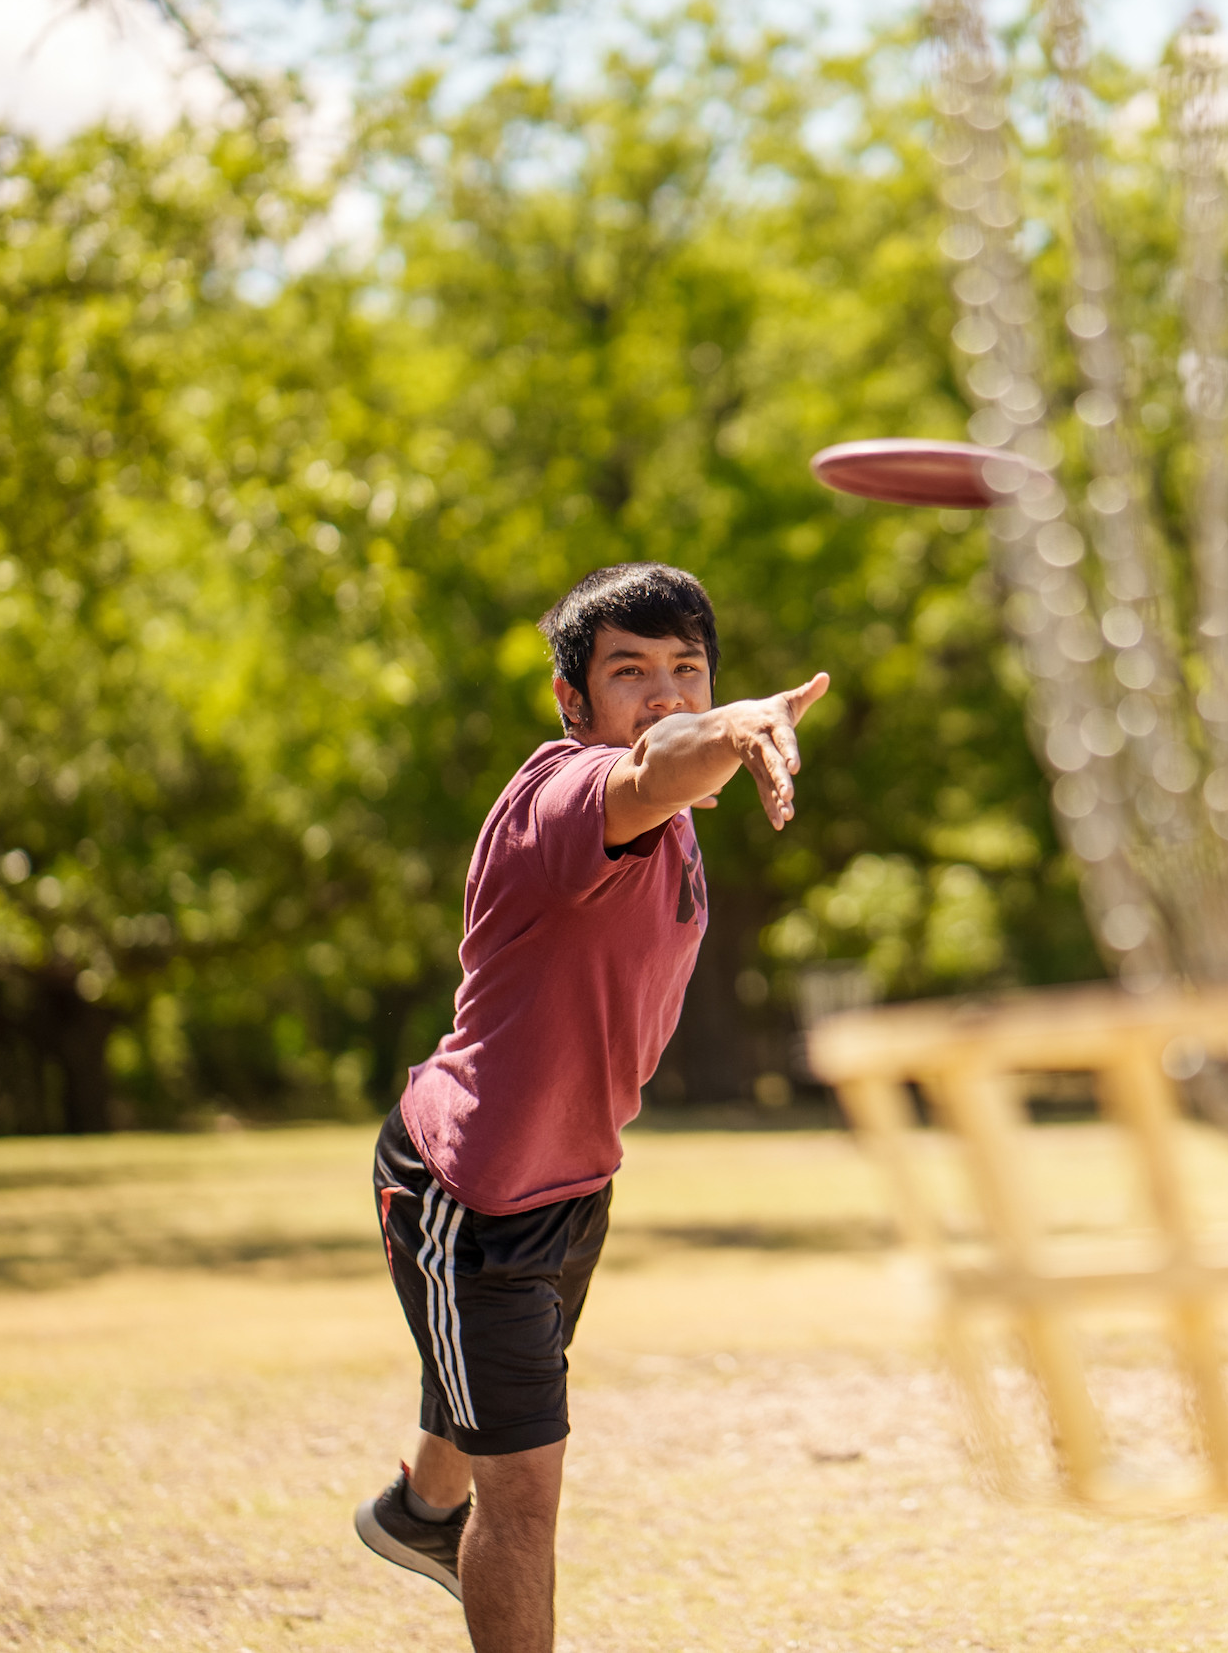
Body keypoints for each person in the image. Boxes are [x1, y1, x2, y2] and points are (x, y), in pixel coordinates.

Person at [353, 562, 827, 1650]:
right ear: (574, 701)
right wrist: (729, 726)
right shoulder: (570, 793)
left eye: (686, 669)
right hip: (471, 1192)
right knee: (523, 1493)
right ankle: (440, 1515)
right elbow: (654, 764)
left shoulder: (670, 803)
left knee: (494, 1391)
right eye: (630, 673)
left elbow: (671, 760)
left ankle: (415, 1509)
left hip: (573, 1174)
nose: (663, 694)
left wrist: (718, 734)